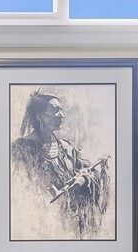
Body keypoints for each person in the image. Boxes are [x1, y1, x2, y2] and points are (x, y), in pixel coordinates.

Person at [10, 91, 110, 238]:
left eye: (61, 110)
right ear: (40, 116)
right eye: (55, 110)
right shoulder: (20, 149)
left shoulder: (66, 147)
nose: (61, 115)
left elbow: (90, 172)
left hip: (70, 224)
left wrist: (83, 180)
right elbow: (16, 192)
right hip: (39, 225)